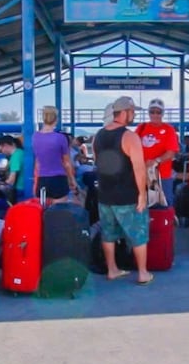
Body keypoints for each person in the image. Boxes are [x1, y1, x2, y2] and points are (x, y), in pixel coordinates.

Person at [92, 96, 153, 285]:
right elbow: (139, 167)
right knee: (138, 234)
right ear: (125, 112)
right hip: (127, 196)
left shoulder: (98, 136)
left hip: (105, 195)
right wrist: (142, 194)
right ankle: (143, 273)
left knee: (108, 234)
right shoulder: (130, 136)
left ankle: (112, 270)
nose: (134, 115)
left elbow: (97, 162)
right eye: (133, 111)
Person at [136, 98, 180, 207]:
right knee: (142, 206)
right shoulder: (141, 128)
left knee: (164, 206)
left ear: (162, 113)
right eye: (152, 111)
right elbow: (133, 148)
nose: (155, 115)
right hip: (143, 176)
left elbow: (171, 152)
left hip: (163, 176)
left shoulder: (169, 129)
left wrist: (156, 161)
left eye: (158, 112)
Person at [31, 106, 77, 203]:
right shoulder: (60, 138)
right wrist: (72, 180)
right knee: (57, 214)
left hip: (42, 179)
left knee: (42, 213)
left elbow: (38, 162)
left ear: (43, 118)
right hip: (59, 179)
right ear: (56, 119)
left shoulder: (35, 137)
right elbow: (66, 163)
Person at [0, 135, 25, 202]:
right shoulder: (20, 152)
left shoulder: (15, 156)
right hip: (23, 187)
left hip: (20, 189)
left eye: (0, 150)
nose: (2, 153)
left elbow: (11, 179)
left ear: (6, 145)